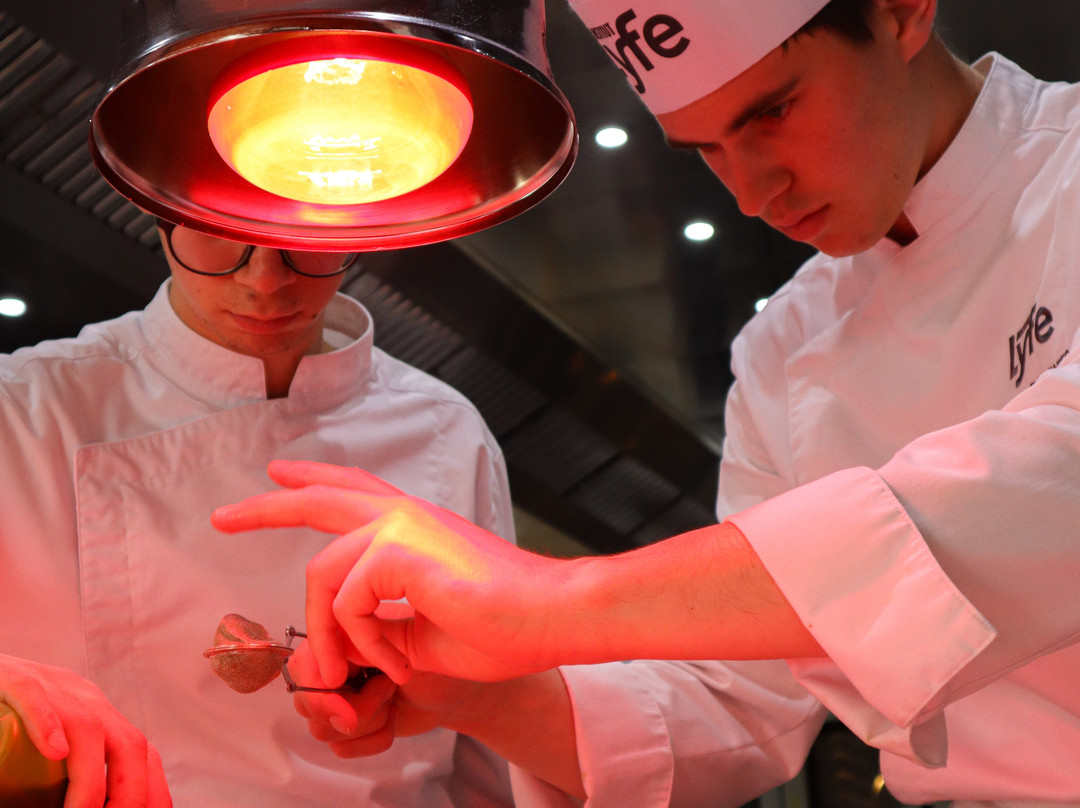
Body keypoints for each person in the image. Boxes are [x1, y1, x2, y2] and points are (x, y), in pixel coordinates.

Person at [213, 0, 1080, 804]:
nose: (750, 195)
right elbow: (743, 701)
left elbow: (1051, 489)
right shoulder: (782, 351)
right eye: (705, 150)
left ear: (900, 10)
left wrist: (552, 601)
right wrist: (478, 692)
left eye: (772, 113)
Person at [0, 216, 555, 806]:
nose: (265, 280)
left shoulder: (447, 433)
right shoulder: (23, 409)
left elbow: (490, 768)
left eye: (304, 235)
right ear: (157, 208)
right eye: (217, 228)